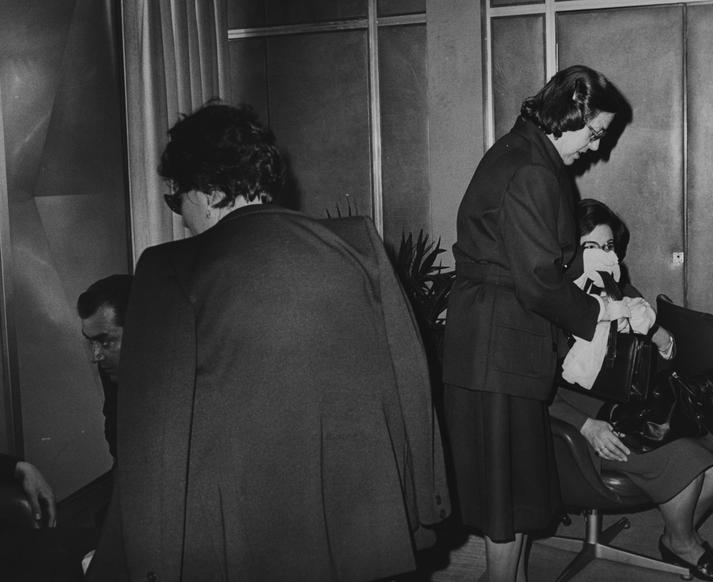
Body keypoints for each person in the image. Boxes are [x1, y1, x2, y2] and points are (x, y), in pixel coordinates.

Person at [86, 101, 450, 582]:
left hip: (238, 535)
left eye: (178, 201)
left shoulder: (169, 268)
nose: (182, 219)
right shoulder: (358, 243)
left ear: (211, 192)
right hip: (359, 520)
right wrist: (424, 503)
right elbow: (411, 375)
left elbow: (154, 437)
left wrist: (134, 562)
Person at [441, 65, 632, 582]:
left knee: (516, 490)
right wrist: (601, 312)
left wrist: (582, 272)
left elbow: (527, 259)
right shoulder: (533, 168)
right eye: (595, 132)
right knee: (505, 496)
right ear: (570, 114)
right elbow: (538, 281)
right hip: (499, 348)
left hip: (495, 342)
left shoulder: (521, 151)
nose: (597, 148)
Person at [550, 198, 713, 582]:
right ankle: (685, 544)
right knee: (686, 458)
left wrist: (656, 335)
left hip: (633, 411)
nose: (603, 255)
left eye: (608, 246)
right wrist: (586, 425)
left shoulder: (620, 291)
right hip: (578, 424)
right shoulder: (553, 303)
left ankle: (676, 534)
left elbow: (659, 368)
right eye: (590, 246)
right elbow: (529, 389)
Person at [77, 274, 134, 460]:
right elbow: (118, 451)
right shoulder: (112, 371)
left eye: (105, 341)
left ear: (141, 332)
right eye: (91, 342)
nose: (96, 356)